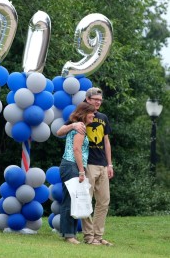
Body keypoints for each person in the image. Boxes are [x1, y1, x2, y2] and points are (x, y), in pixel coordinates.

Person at [57, 87, 114, 246]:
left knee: (104, 201)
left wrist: (109, 164)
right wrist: (72, 126)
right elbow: (60, 131)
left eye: (100, 100)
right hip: (85, 165)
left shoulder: (102, 117)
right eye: (95, 99)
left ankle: (98, 235)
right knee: (83, 200)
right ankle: (88, 236)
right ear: (87, 99)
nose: (98, 103)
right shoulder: (80, 118)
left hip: (101, 164)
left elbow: (106, 142)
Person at [57, 102, 95, 244]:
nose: (93, 115)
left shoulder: (80, 126)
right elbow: (76, 150)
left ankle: (71, 233)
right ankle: (68, 235)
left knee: (74, 200)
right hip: (71, 166)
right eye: (91, 113)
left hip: (72, 166)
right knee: (70, 200)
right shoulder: (80, 128)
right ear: (84, 113)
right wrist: (81, 171)